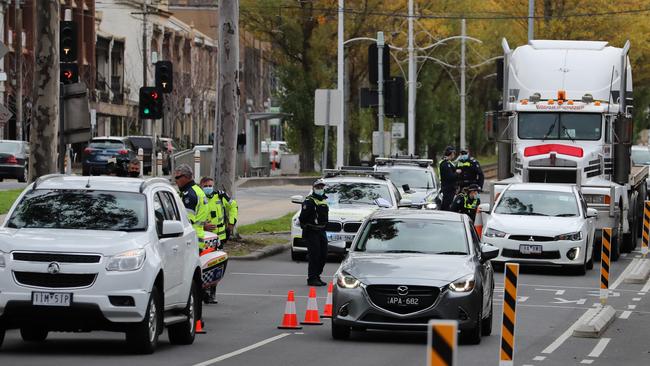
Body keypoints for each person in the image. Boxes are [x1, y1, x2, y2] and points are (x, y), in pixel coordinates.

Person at [299, 180, 329, 287]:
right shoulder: (309, 201)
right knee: (314, 255)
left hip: (321, 231)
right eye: (318, 187)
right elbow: (302, 218)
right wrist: (308, 226)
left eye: (321, 187)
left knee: (323, 254)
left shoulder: (324, 200)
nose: (320, 189)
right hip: (312, 231)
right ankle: (312, 278)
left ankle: (317, 276)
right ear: (313, 188)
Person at [174, 164, 210, 246]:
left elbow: (186, 222)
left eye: (177, 177)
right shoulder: (197, 190)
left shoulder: (189, 194)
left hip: (191, 240)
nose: (175, 180)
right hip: (198, 237)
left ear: (186, 177)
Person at [200, 176, 239, 244]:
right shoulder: (198, 198)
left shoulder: (220, 196)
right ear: (201, 187)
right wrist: (202, 226)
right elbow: (192, 217)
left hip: (220, 236)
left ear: (213, 186)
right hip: (204, 236)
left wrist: (231, 223)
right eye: (205, 186)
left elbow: (233, 206)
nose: (208, 188)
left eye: (210, 186)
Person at [438, 145, 459, 211]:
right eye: (453, 153)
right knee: (446, 205)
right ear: (451, 153)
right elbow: (450, 177)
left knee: (448, 204)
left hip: (449, 187)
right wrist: (457, 173)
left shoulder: (448, 162)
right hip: (447, 188)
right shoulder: (445, 163)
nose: (454, 155)